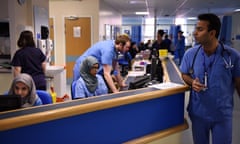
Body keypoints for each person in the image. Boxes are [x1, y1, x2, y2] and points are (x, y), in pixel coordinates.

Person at [180, 13, 240, 144]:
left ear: (212, 33)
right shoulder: (191, 54)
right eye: (196, 28)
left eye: (200, 29)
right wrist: (192, 82)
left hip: (222, 115)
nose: (195, 33)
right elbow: (184, 74)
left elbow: (238, 83)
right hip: (198, 114)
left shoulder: (232, 56)